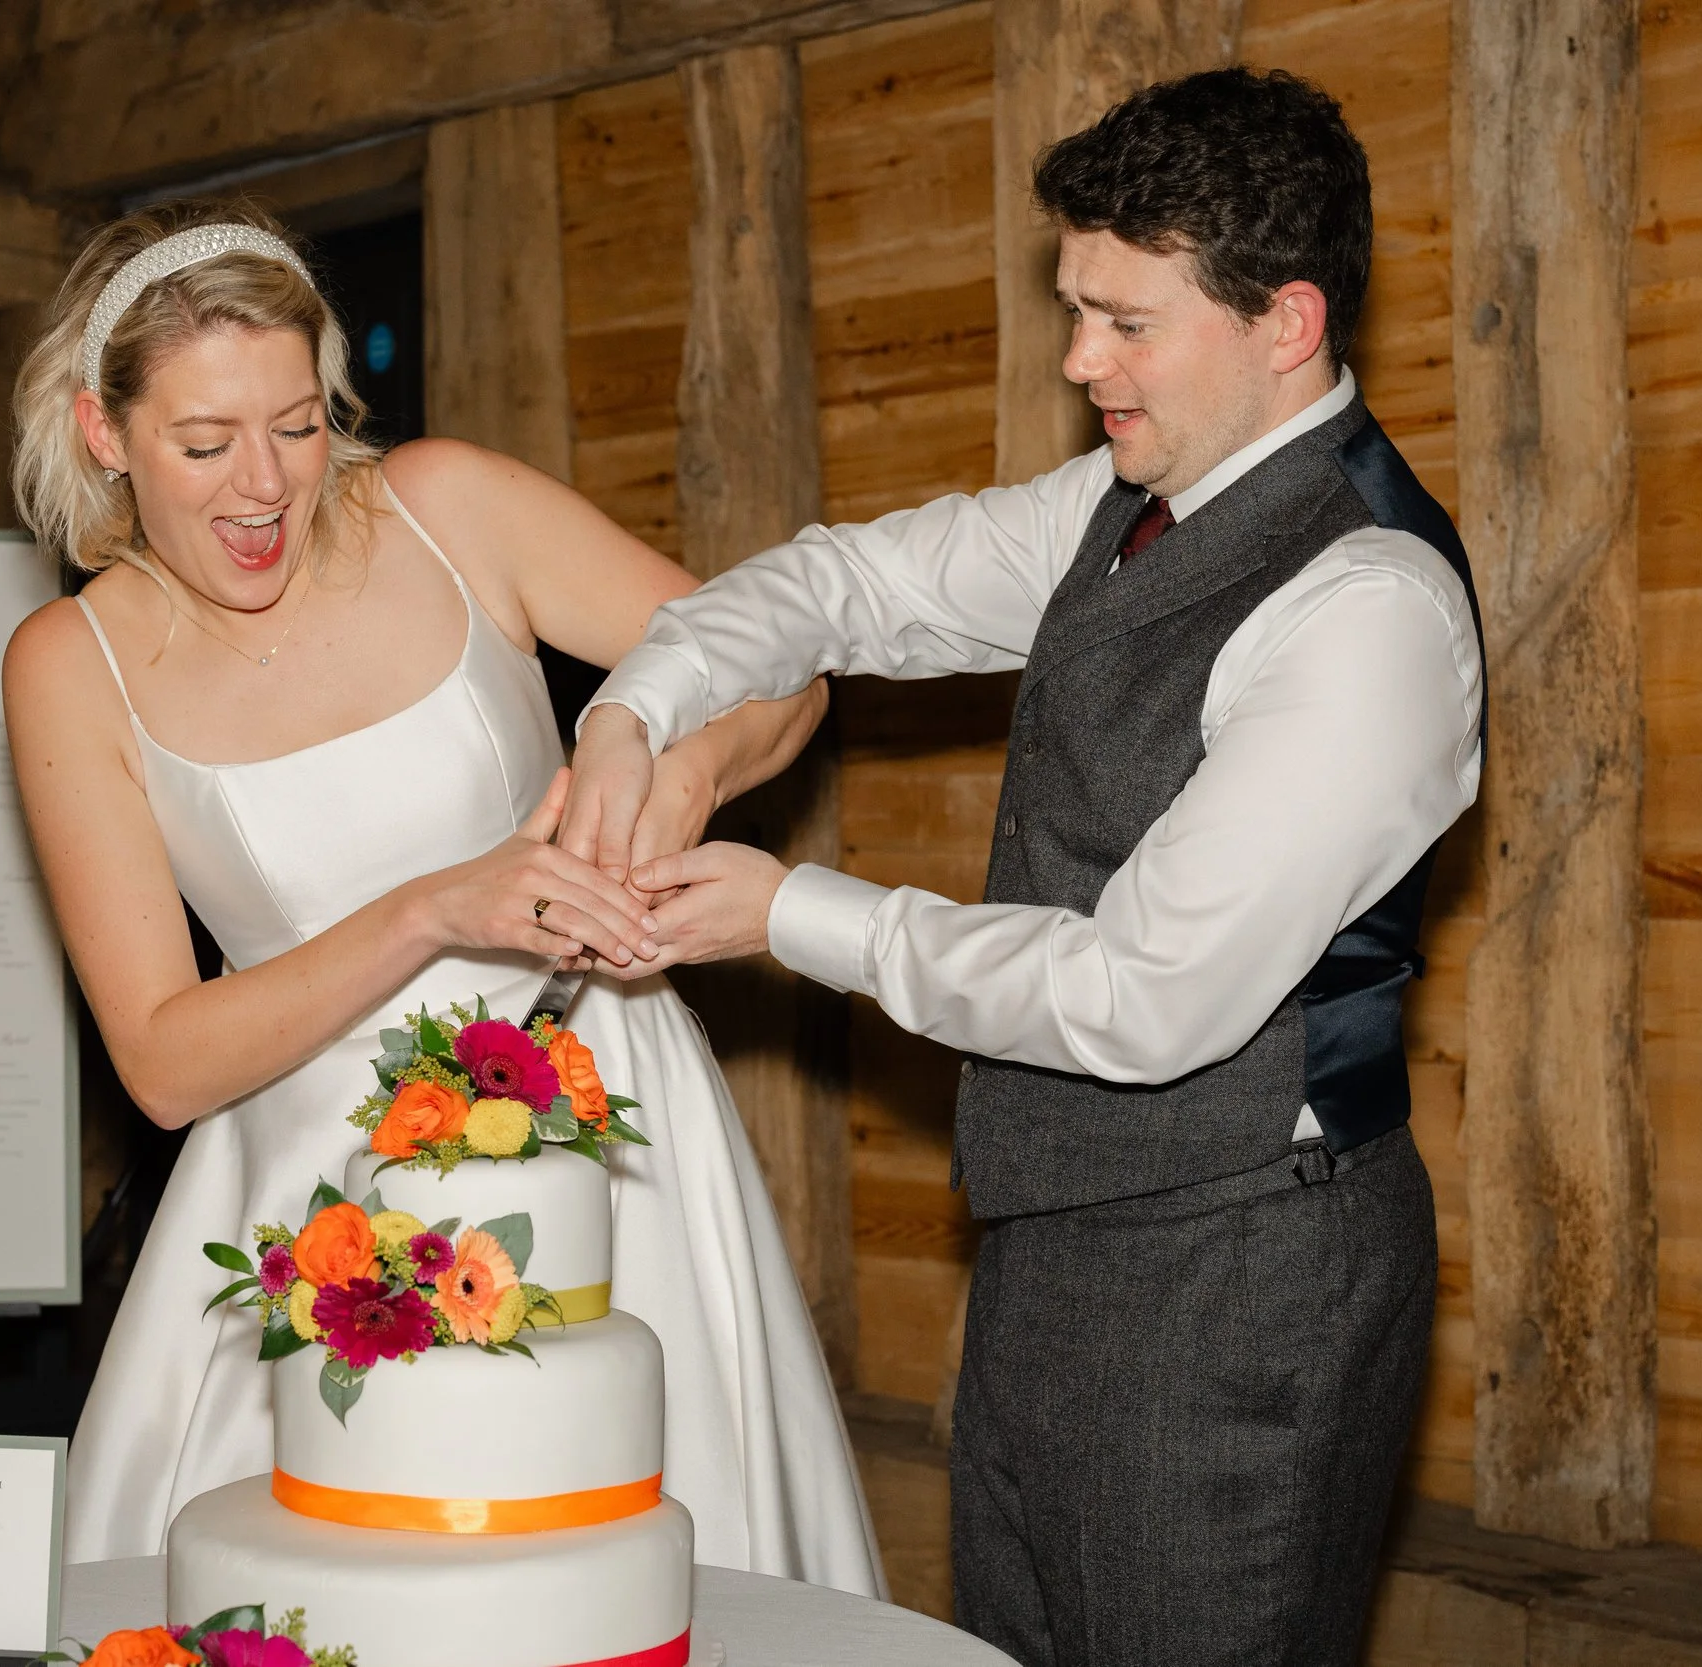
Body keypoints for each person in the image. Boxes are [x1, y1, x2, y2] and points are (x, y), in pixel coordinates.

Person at [565, 70, 1484, 1664]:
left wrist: (789, 911)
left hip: (1246, 1263)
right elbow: (844, 584)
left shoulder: (1371, 609)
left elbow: (1142, 996)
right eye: (1075, 309)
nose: (1080, 362)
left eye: (1126, 321)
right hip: (1060, 1240)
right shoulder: (1120, 506)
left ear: (1286, 322)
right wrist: (637, 715)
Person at [0, 202, 883, 1595]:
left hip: (602, 1138)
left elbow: (781, 672)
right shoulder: (68, 661)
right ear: (104, 434)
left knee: (635, 1579)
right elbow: (163, 1062)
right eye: (204, 441)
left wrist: (671, 763)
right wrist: (431, 910)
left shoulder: (453, 504)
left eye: (295, 425)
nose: (263, 486)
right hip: (308, 1195)